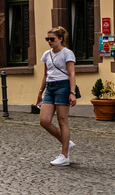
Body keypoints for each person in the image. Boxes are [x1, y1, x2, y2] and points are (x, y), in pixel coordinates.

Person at [35, 26, 78, 166]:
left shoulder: (67, 53)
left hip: (63, 87)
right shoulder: (46, 55)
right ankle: (66, 142)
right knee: (44, 120)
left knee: (62, 120)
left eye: (52, 39)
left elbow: (71, 74)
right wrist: (40, 92)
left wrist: (72, 92)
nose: (49, 41)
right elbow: (45, 74)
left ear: (60, 39)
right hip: (50, 87)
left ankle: (64, 156)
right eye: (47, 39)